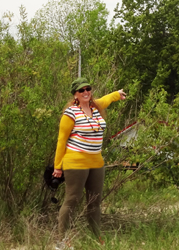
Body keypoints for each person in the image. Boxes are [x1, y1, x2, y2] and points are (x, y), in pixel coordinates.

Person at [53, 77, 126, 247]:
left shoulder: (95, 107)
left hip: (96, 163)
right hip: (75, 162)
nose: (86, 92)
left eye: (88, 89)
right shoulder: (70, 113)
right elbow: (61, 141)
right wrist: (58, 167)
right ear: (75, 95)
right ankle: (62, 241)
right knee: (72, 199)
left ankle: (96, 238)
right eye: (81, 90)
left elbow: (106, 99)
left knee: (95, 202)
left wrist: (117, 94)